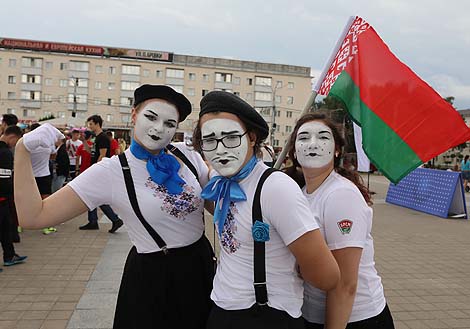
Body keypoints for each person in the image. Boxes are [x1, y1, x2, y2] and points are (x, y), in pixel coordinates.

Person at [14, 84, 215, 329]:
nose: (158, 128)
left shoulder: (187, 155)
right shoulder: (110, 171)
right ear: (133, 115)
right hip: (155, 275)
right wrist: (22, 151)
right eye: (151, 117)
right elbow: (34, 217)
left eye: (169, 124)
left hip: (200, 264)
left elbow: (213, 204)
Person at [192, 91, 339, 328]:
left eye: (230, 137)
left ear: (251, 137)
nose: (220, 149)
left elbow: (327, 275)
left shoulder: (276, 189)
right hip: (222, 309)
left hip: (264, 315)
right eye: (209, 140)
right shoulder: (220, 182)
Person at [285, 113, 394, 329]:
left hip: (354, 318)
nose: (312, 144)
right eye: (303, 138)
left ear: (337, 150)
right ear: (294, 151)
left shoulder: (341, 195)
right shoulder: (299, 193)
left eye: (323, 137)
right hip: (312, 313)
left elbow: (345, 284)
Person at [78, 115, 123, 233]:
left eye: (91, 124)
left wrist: (95, 171)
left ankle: (111, 220)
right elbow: (91, 152)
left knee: (94, 196)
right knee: (94, 196)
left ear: (97, 124)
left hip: (100, 170)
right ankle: (97, 221)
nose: (89, 126)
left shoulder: (102, 137)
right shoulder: (96, 138)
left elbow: (102, 155)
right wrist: (84, 141)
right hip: (98, 170)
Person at [0, 126, 27, 271]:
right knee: (4, 229)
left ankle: (9, 256)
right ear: (12, 137)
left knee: (6, 229)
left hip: (3, 200)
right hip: (3, 198)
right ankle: (9, 256)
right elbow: (5, 180)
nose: (15, 145)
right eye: (16, 141)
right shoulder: (5, 153)